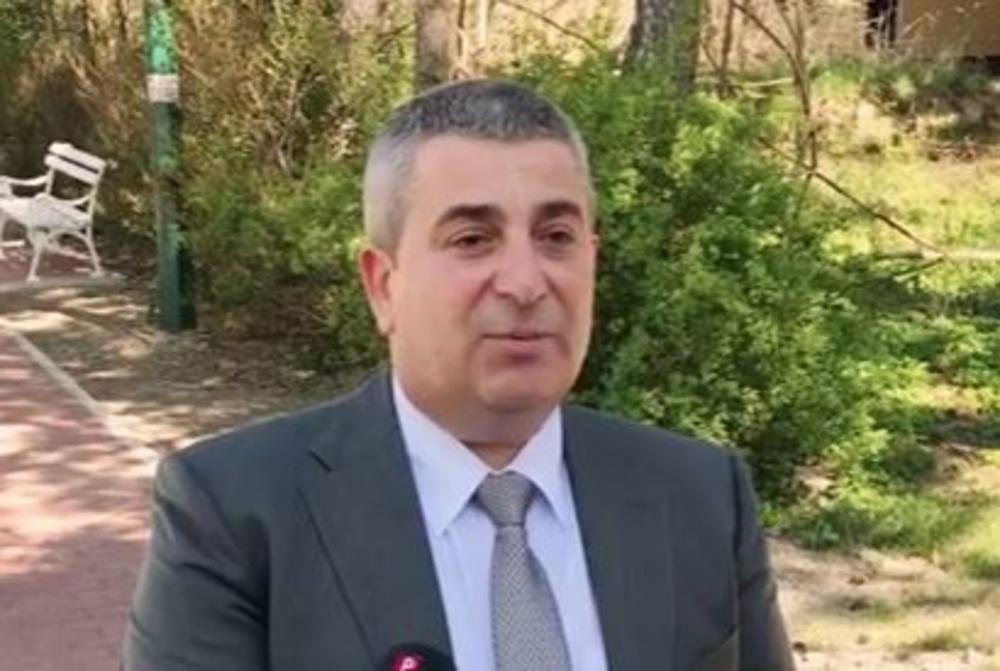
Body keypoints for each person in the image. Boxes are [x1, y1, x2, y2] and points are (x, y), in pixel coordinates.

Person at [123, 80, 795, 671]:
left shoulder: (701, 495)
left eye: (556, 237)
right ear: (383, 285)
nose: (526, 282)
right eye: (473, 239)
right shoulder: (235, 513)